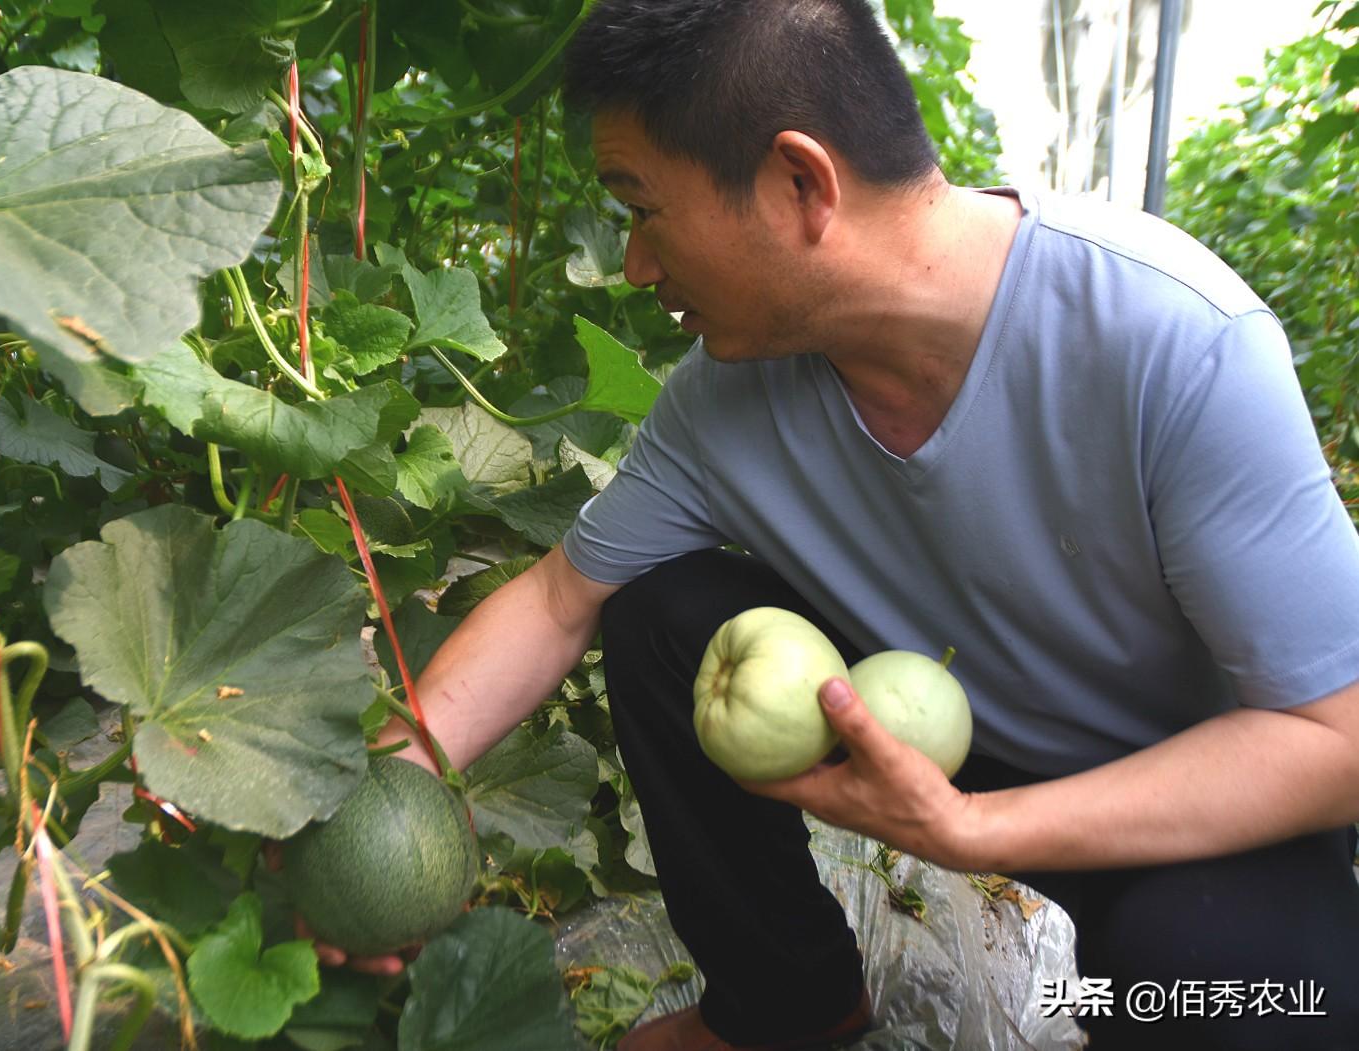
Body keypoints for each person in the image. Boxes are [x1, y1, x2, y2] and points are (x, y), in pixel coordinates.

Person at [347, 0, 1359, 1047]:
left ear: (799, 183)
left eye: (643, 210)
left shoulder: (1175, 342)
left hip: (1190, 805)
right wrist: (379, 805)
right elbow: (561, 599)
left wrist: (974, 831)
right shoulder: (722, 402)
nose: (639, 267)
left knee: (1259, 994)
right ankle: (789, 1006)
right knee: (660, 611)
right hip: (921, 734)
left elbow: (1340, 739)